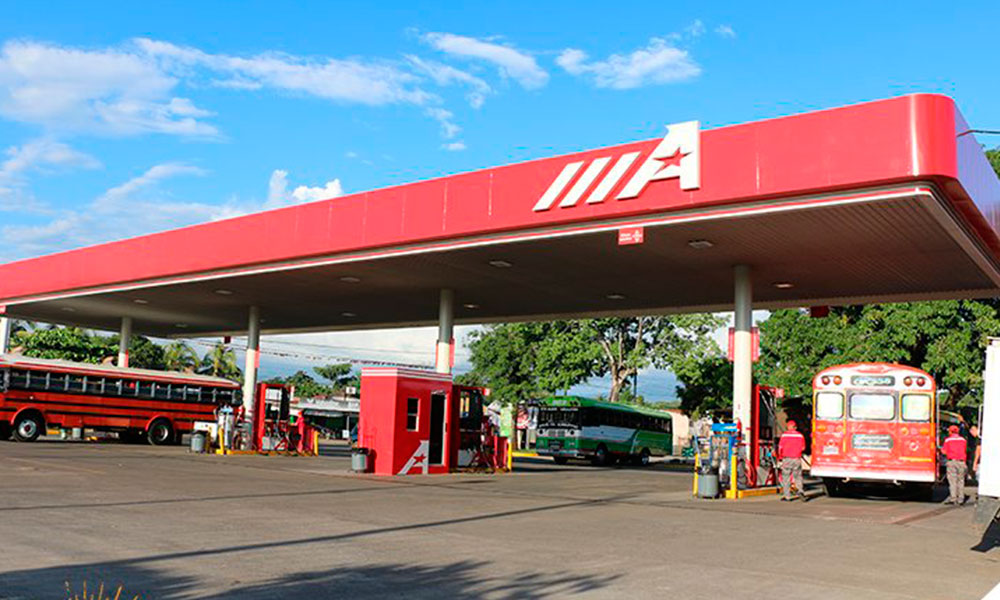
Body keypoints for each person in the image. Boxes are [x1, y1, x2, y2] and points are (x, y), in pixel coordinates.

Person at [778, 420, 806, 501]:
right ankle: (800, 491)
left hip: (787, 459)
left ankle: (787, 496)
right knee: (798, 476)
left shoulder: (784, 435)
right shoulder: (800, 436)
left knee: (786, 477)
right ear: (795, 427)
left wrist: (780, 457)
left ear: (788, 427)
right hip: (797, 458)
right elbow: (803, 448)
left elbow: (780, 448)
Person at [941, 424, 968, 505]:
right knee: (961, 480)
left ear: (950, 431)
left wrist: (940, 449)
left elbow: (944, 451)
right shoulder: (963, 440)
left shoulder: (948, 440)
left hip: (952, 462)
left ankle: (953, 498)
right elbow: (965, 449)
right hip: (962, 462)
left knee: (953, 480)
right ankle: (961, 499)